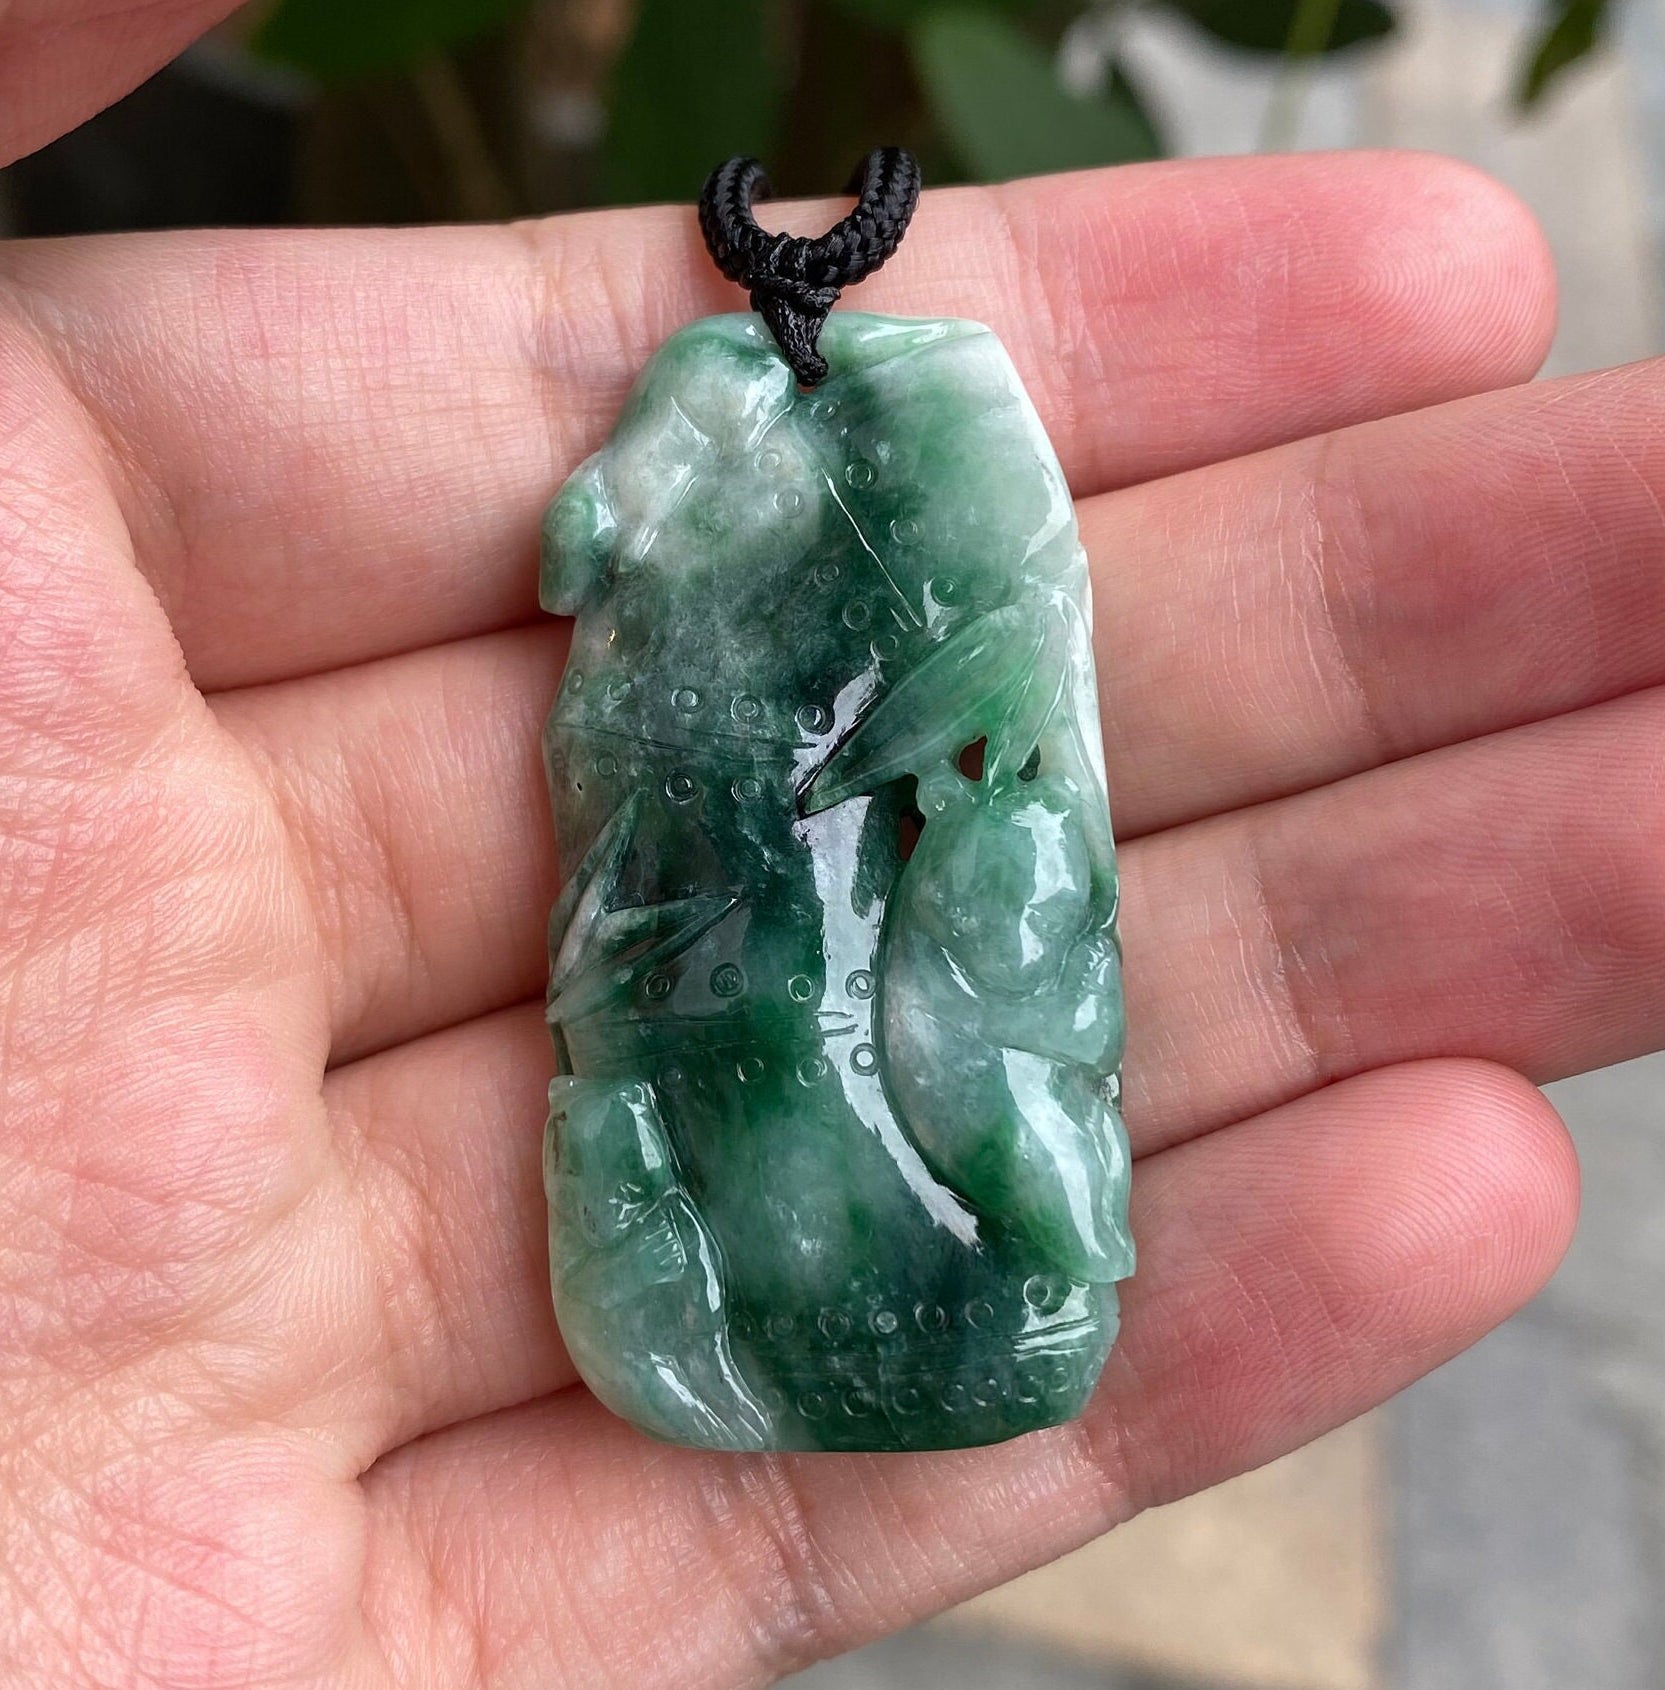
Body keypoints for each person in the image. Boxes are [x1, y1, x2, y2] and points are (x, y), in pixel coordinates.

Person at [2, 4, 1644, 1683]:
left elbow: (626, 584)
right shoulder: (726, 431)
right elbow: (585, 554)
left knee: (929, 1027)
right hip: (710, 910)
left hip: (841, 958)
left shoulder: (908, 473)